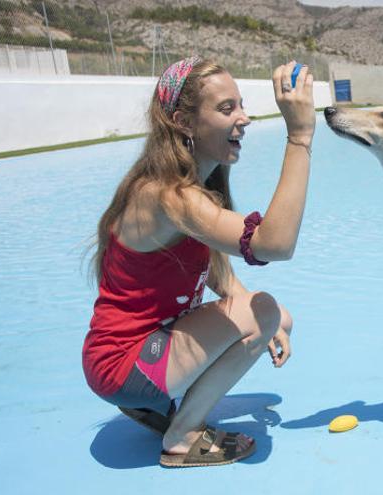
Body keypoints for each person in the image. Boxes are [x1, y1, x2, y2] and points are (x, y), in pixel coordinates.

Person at [82, 57, 315, 467]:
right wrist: (299, 136)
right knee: (264, 310)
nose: (244, 118)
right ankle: (183, 435)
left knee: (276, 317)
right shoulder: (167, 196)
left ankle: (155, 406)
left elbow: (218, 272)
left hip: (142, 354)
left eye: (241, 105)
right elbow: (275, 244)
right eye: (227, 109)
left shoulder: (194, 189)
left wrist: (263, 323)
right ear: (183, 122)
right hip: (122, 365)